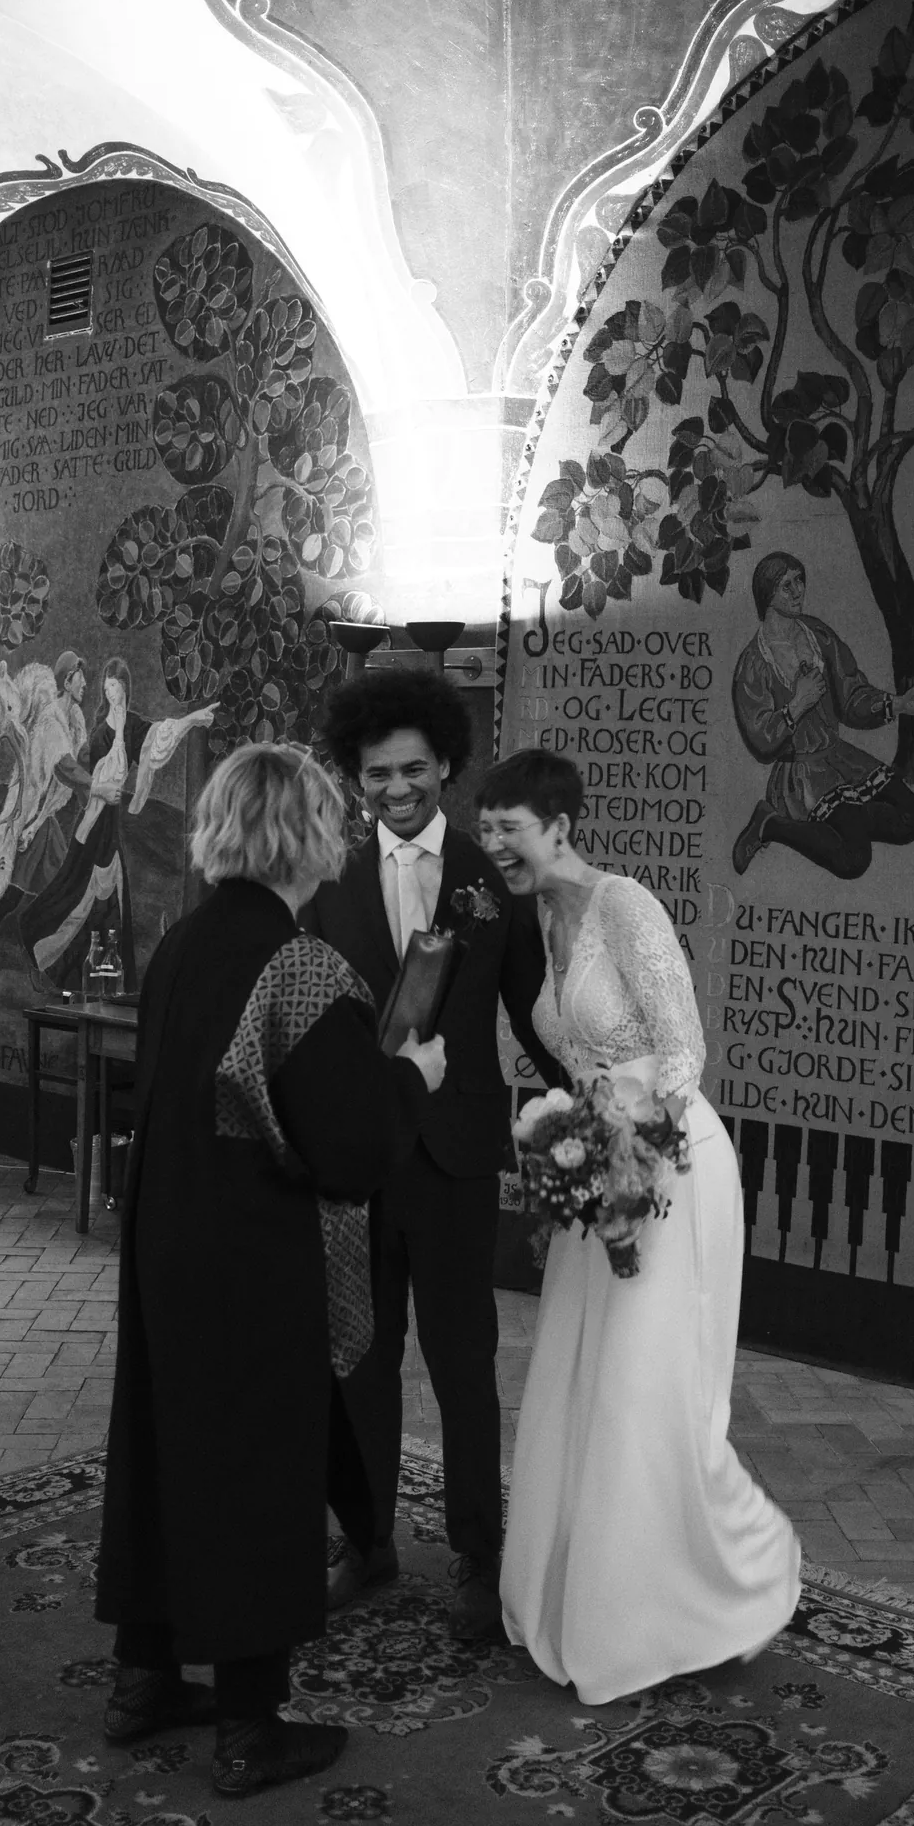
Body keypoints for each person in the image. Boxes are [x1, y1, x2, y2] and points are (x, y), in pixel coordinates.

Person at [94, 743, 446, 1798]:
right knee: (255, 1467)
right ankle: (250, 1728)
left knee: (166, 1447)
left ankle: (144, 1680)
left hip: (167, 1235)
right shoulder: (300, 966)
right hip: (254, 1252)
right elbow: (350, 1145)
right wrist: (411, 1078)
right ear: (309, 835)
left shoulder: (182, 942)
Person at [479, 748, 801, 1706]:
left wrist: (629, 1148)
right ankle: (581, 1598)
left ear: (560, 827)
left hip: (668, 1167)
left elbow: (683, 1050)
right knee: (581, 1379)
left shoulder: (625, 906)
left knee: (644, 1390)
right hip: (597, 1172)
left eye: (510, 829)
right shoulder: (540, 917)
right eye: (486, 830)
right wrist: (572, 1146)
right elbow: (568, 1052)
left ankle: (709, 1590)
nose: (496, 845)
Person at [302, 667, 559, 1642]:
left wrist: (587, 1103)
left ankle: (478, 1556)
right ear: (355, 777)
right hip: (359, 1160)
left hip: (455, 1159)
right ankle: (365, 1543)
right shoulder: (328, 881)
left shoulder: (491, 879)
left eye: (413, 769)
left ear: (446, 765)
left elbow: (532, 1014)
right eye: (377, 773)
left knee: (462, 1364)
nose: (396, 788)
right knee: (360, 1362)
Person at [731, 552, 914, 879]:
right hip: (802, 775)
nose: (798, 591)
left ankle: (845, 823)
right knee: (853, 860)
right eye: (786, 585)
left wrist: (899, 704)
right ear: (767, 594)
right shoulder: (753, 662)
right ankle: (771, 824)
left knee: (910, 817)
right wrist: (798, 704)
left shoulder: (817, 634)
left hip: (840, 758)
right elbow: (759, 739)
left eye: (800, 580)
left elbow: (851, 697)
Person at [20, 656, 214, 989]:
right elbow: (78, 773)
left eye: (116, 686)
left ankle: (109, 983)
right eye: (107, 687)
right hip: (93, 825)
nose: (111, 693)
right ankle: (34, 937)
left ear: (125, 688)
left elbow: (158, 736)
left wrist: (192, 720)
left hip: (108, 827)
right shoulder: (99, 735)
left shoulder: (132, 725)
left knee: (111, 903)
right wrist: (101, 787)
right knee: (70, 891)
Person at [0, 651, 89, 985]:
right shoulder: (50, 721)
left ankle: (38, 957)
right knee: (12, 896)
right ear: (67, 681)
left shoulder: (74, 720)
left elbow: (68, 774)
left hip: (41, 820)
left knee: (53, 890)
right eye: (80, 677)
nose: (85, 684)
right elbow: (64, 768)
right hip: (25, 814)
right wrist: (96, 786)